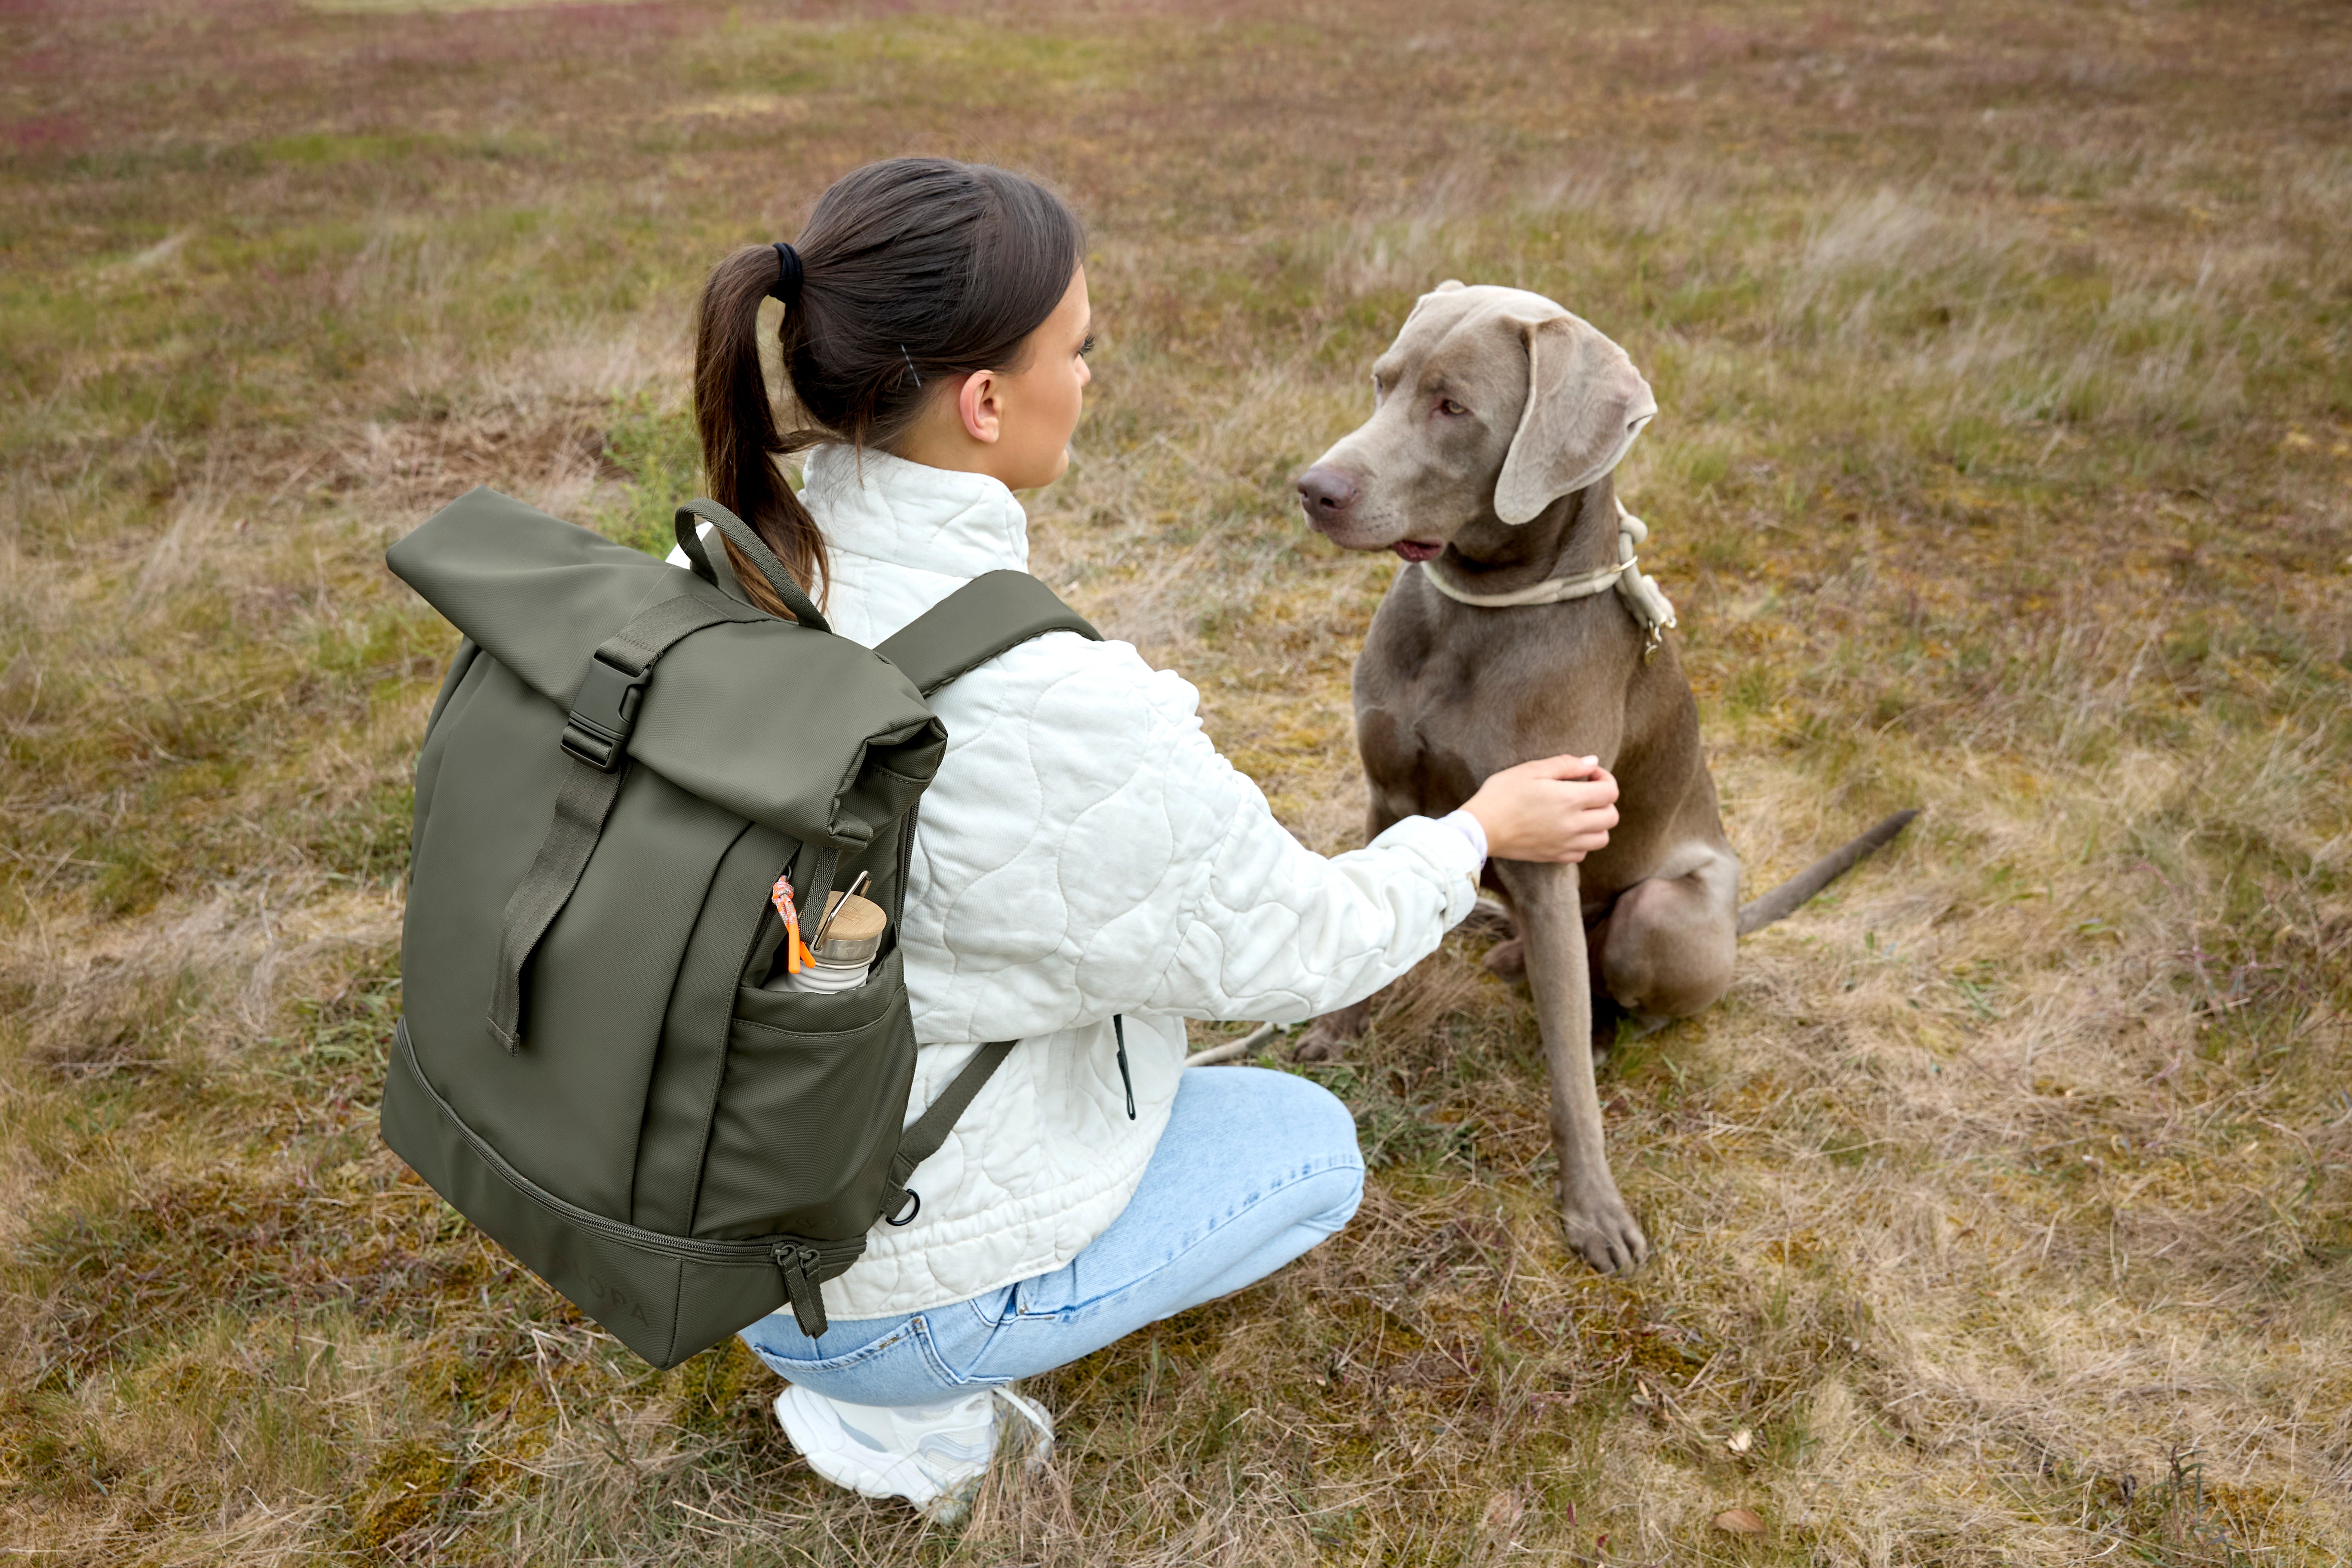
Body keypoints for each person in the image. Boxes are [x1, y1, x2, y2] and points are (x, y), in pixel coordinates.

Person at [678, 158, 1619, 1519]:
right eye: (1083, 350)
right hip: (861, 1285)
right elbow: (1302, 951)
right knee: (1308, 1148)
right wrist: (1478, 828)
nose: (1092, 377)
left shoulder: (734, 554)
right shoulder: (1057, 702)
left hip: (695, 1193)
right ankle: (911, 1411)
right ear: (988, 400)